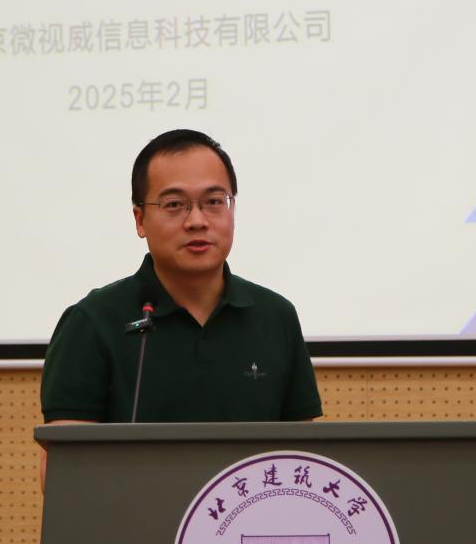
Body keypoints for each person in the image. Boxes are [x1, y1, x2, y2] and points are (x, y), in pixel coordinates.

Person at [40, 129, 323, 438]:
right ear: (139, 220)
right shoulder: (92, 322)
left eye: (214, 201)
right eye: (174, 204)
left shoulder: (276, 316)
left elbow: (303, 454)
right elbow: (65, 461)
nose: (197, 221)